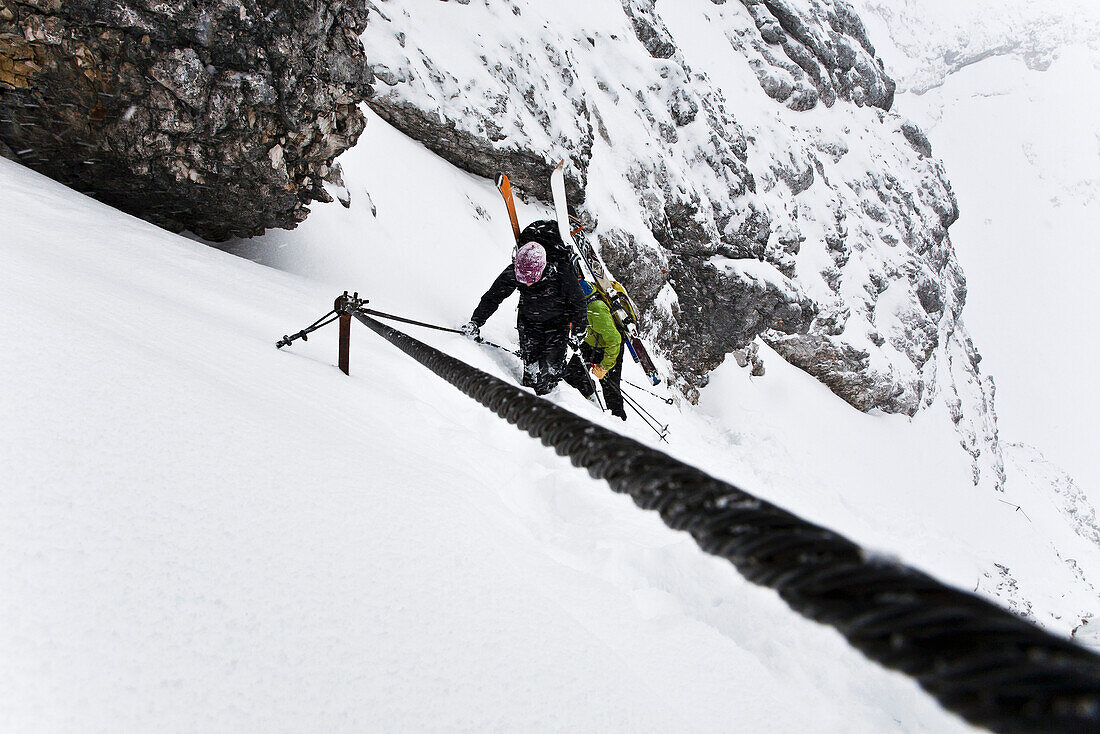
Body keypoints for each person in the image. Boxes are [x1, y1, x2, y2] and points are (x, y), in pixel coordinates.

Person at [462, 221, 588, 396]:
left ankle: (549, 405)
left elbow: (579, 303)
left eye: (531, 279)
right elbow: (494, 295)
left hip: (558, 324)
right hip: (529, 322)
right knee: (531, 371)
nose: (527, 283)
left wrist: (578, 332)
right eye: (523, 279)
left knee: (550, 372)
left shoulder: (561, 271)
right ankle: (528, 402)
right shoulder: (516, 269)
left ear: (542, 268)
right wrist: (476, 321)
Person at [570, 280, 628, 421]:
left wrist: (604, 366)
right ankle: (587, 396)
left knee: (610, 389)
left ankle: (619, 421)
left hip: (609, 348)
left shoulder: (595, 308)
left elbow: (614, 340)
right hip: (590, 343)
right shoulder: (577, 296)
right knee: (572, 374)